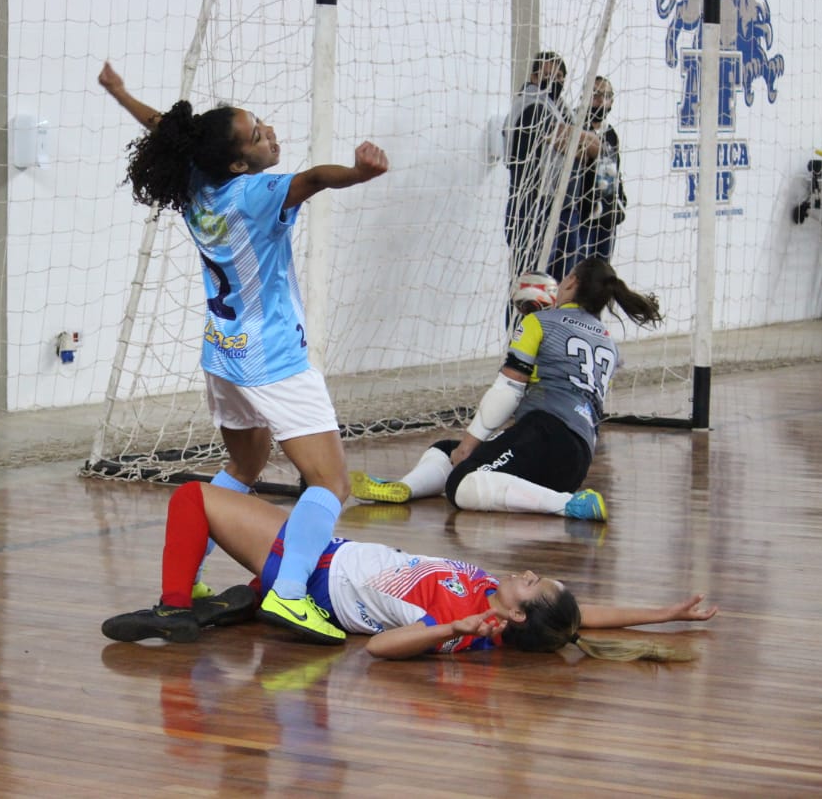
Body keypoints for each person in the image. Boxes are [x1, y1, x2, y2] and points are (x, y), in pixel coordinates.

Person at [99, 61, 390, 646]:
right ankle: (290, 594)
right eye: (258, 134)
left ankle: (187, 588)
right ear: (239, 163)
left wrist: (122, 93)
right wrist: (358, 174)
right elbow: (313, 179)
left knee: (243, 470)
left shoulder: (194, 181)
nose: (270, 132)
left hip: (223, 354)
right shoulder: (257, 193)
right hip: (275, 358)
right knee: (331, 484)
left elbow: (165, 128)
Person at [100, 481, 717, 659]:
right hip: (325, 554)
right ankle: (241, 597)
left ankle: (178, 605)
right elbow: (582, 621)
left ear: (516, 614)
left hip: (312, 574)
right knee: (239, 485)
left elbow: (379, 651)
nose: (529, 571)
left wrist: (448, 632)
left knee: (193, 499)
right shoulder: (491, 597)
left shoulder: (462, 623)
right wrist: (666, 613)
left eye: (534, 584)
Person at [349, 256, 662, 520]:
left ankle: (568, 505)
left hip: (544, 432)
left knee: (461, 480)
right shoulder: (608, 341)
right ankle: (405, 488)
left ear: (570, 284)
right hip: (578, 454)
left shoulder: (541, 322)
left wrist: (470, 443)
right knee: (446, 450)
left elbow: (509, 389)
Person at [503, 52, 602, 285]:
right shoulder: (531, 104)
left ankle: (551, 323)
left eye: (560, 77)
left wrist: (584, 145)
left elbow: (586, 146)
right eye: (549, 75)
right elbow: (574, 144)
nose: (555, 81)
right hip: (533, 206)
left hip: (560, 205)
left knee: (560, 285)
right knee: (531, 285)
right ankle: (521, 323)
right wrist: (584, 145)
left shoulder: (555, 105)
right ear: (535, 75)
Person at [551, 76, 627, 275]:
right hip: (580, 215)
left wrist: (619, 200)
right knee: (577, 274)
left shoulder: (610, 134)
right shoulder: (571, 124)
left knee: (601, 278)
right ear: (584, 96)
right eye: (596, 95)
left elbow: (614, 170)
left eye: (607, 96)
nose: (601, 101)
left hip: (605, 218)